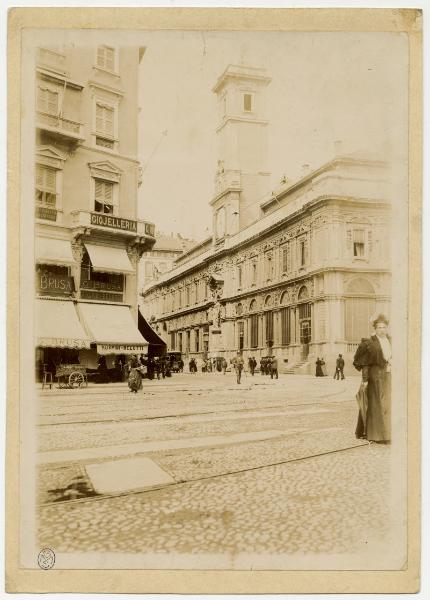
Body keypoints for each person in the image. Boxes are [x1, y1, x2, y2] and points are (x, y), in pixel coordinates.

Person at [353, 314, 391, 443]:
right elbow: (363, 363)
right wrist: (365, 380)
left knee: (389, 404)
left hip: (389, 375)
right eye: (379, 327)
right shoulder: (368, 343)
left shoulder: (391, 340)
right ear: (375, 328)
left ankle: (389, 433)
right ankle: (379, 436)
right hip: (375, 377)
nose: (382, 330)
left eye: (384, 327)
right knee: (377, 405)